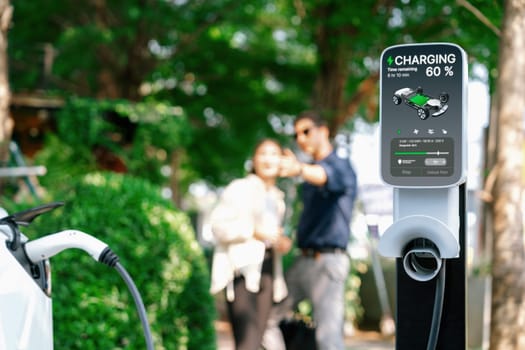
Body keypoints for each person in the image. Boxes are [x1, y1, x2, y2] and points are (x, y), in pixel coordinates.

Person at [265, 110, 357, 350]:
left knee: (328, 339)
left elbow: (323, 175)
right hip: (302, 260)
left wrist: (298, 169)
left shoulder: (341, 166)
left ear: (324, 130)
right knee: (267, 318)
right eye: (296, 135)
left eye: (306, 131)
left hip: (327, 262)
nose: (301, 138)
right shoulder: (308, 173)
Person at [209, 138, 293, 350]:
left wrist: (281, 243)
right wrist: (254, 231)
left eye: (274, 154)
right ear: (253, 160)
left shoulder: (277, 198)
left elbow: (271, 237)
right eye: (263, 153)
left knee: (258, 343)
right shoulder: (239, 188)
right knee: (247, 343)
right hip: (242, 272)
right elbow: (218, 227)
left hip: (268, 272)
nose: (268, 159)